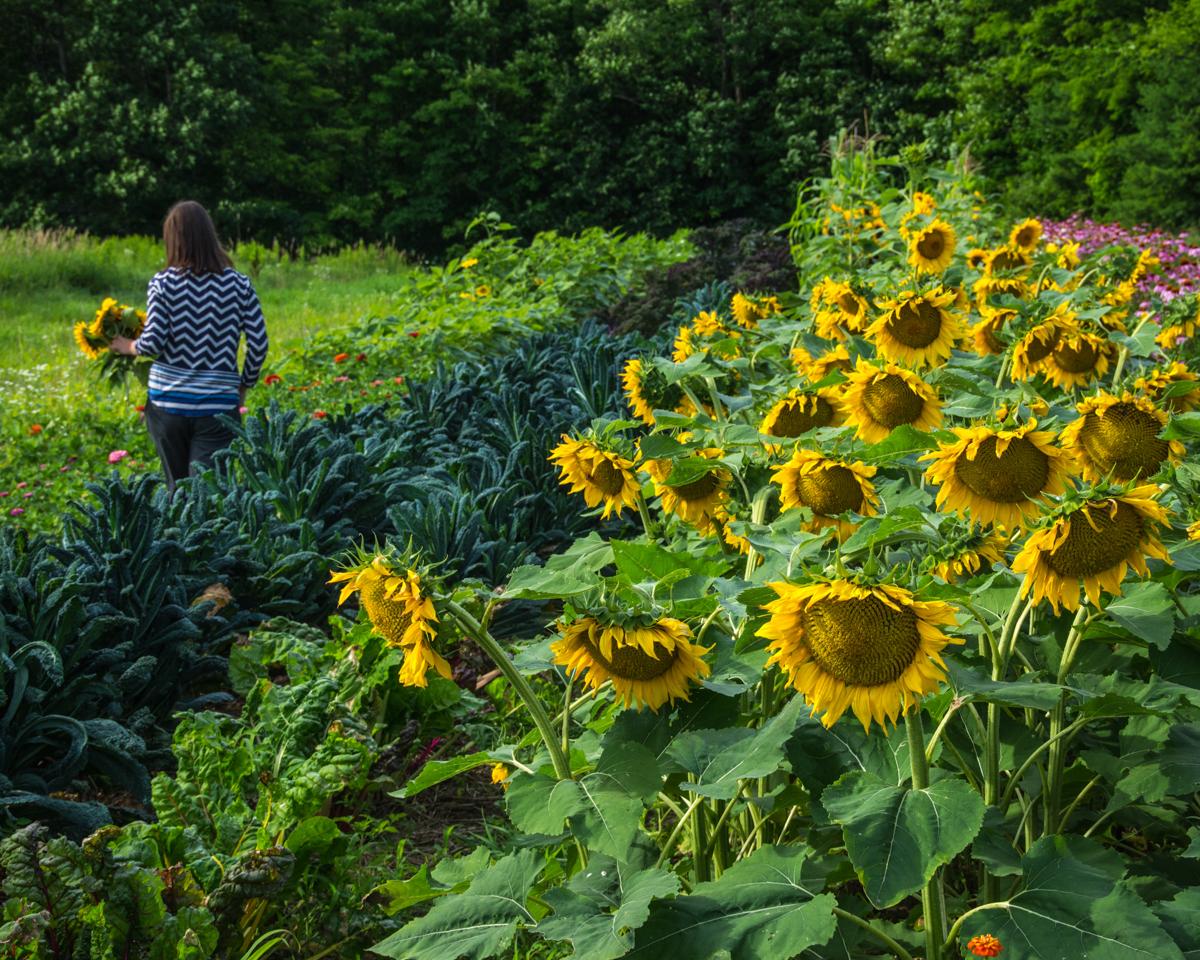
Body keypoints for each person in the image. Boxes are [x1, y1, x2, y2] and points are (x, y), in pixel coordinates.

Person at [112, 201, 268, 493]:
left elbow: (154, 341)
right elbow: (259, 344)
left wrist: (127, 345)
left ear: (173, 239)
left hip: (168, 404)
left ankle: (176, 537)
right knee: (207, 494)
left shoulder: (163, 283)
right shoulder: (239, 284)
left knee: (177, 489)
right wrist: (243, 384)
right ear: (210, 235)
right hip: (218, 405)